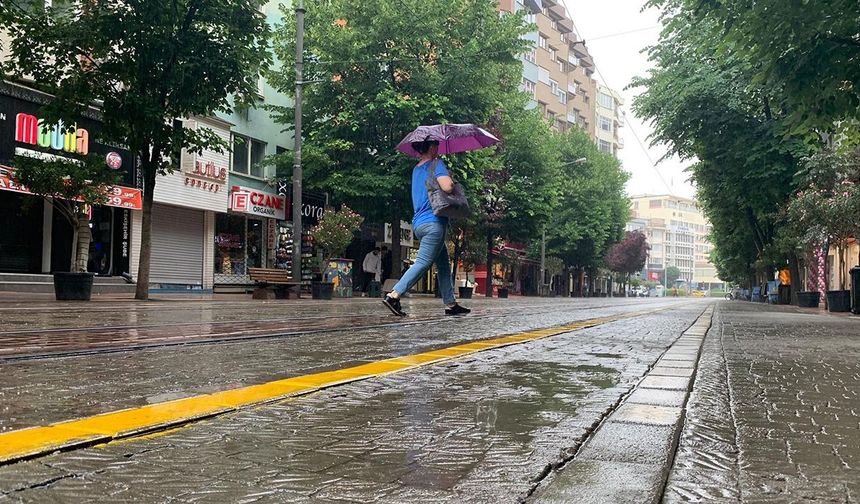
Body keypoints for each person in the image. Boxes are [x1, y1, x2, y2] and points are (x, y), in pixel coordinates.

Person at [382, 139, 470, 317]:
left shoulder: (416, 169)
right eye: (436, 145)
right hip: (433, 223)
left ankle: (451, 304)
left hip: (419, 223)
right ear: (431, 147)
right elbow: (446, 186)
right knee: (423, 262)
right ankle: (394, 295)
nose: (438, 149)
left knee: (444, 265)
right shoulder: (437, 164)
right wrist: (451, 181)